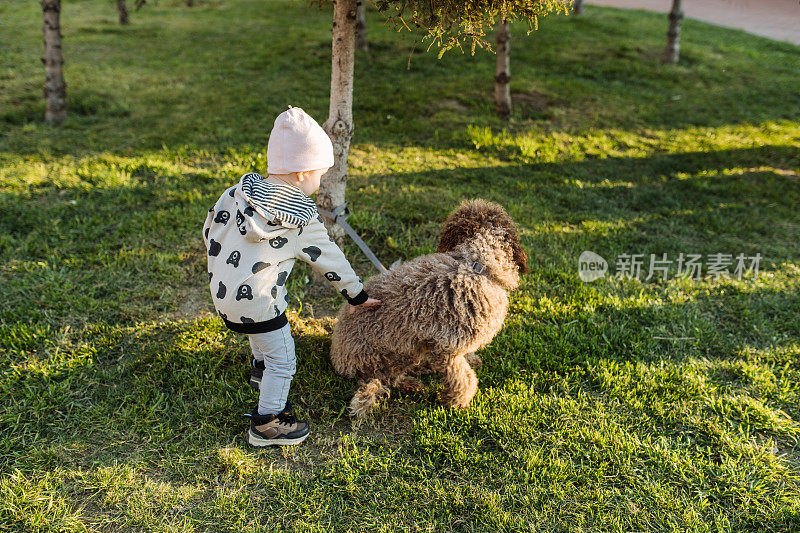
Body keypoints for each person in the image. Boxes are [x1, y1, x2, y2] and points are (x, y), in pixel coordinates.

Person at [202, 106, 381, 446]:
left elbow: (210, 227)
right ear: (301, 174)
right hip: (260, 306)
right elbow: (331, 260)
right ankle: (268, 423)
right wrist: (356, 295)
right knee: (283, 358)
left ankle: (259, 369)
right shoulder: (298, 217)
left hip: (223, 294)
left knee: (260, 333)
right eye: (319, 174)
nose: (320, 181)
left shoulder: (237, 193)